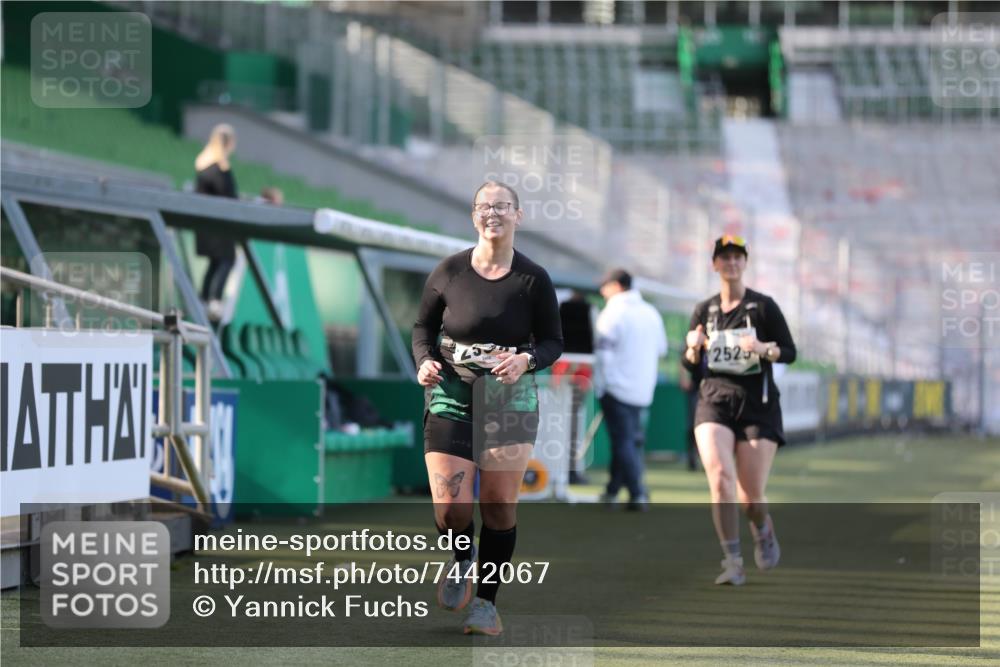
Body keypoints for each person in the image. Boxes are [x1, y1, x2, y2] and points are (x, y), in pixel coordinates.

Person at [412, 181, 563, 636]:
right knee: (450, 510)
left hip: (508, 399)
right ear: (473, 215)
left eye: (501, 206)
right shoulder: (450, 271)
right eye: (483, 206)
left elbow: (554, 341)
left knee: (498, 504)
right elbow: (423, 326)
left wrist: (527, 359)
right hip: (452, 395)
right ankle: (462, 556)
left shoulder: (534, 279)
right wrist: (423, 363)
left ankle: (486, 603)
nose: (491, 213)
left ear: (518, 214)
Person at [682, 234, 796, 586]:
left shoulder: (763, 307)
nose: (731, 263)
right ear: (715, 264)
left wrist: (764, 349)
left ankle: (762, 528)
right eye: (724, 257)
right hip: (714, 401)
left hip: (757, 406)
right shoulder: (705, 310)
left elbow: (789, 352)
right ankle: (732, 561)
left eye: (737, 257)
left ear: (745, 263)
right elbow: (690, 365)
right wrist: (692, 349)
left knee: (750, 497)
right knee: (720, 479)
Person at [594, 269, 667, 512]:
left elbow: (603, 355)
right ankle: (613, 490)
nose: (602, 292)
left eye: (604, 286)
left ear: (616, 285)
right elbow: (662, 350)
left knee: (624, 442)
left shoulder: (612, 313)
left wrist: (606, 384)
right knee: (627, 441)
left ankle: (637, 493)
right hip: (643, 389)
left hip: (616, 389)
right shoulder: (651, 313)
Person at [194, 124, 238, 319]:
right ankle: (212, 299)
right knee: (226, 259)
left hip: (207, 226)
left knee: (215, 262)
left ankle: (205, 299)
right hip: (216, 227)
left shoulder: (205, 164)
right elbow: (227, 196)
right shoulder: (217, 168)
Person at [679, 354, 705, 472]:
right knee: (693, 426)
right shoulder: (694, 335)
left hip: (716, 387)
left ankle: (707, 459)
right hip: (696, 388)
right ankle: (692, 458)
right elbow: (684, 358)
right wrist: (683, 377)